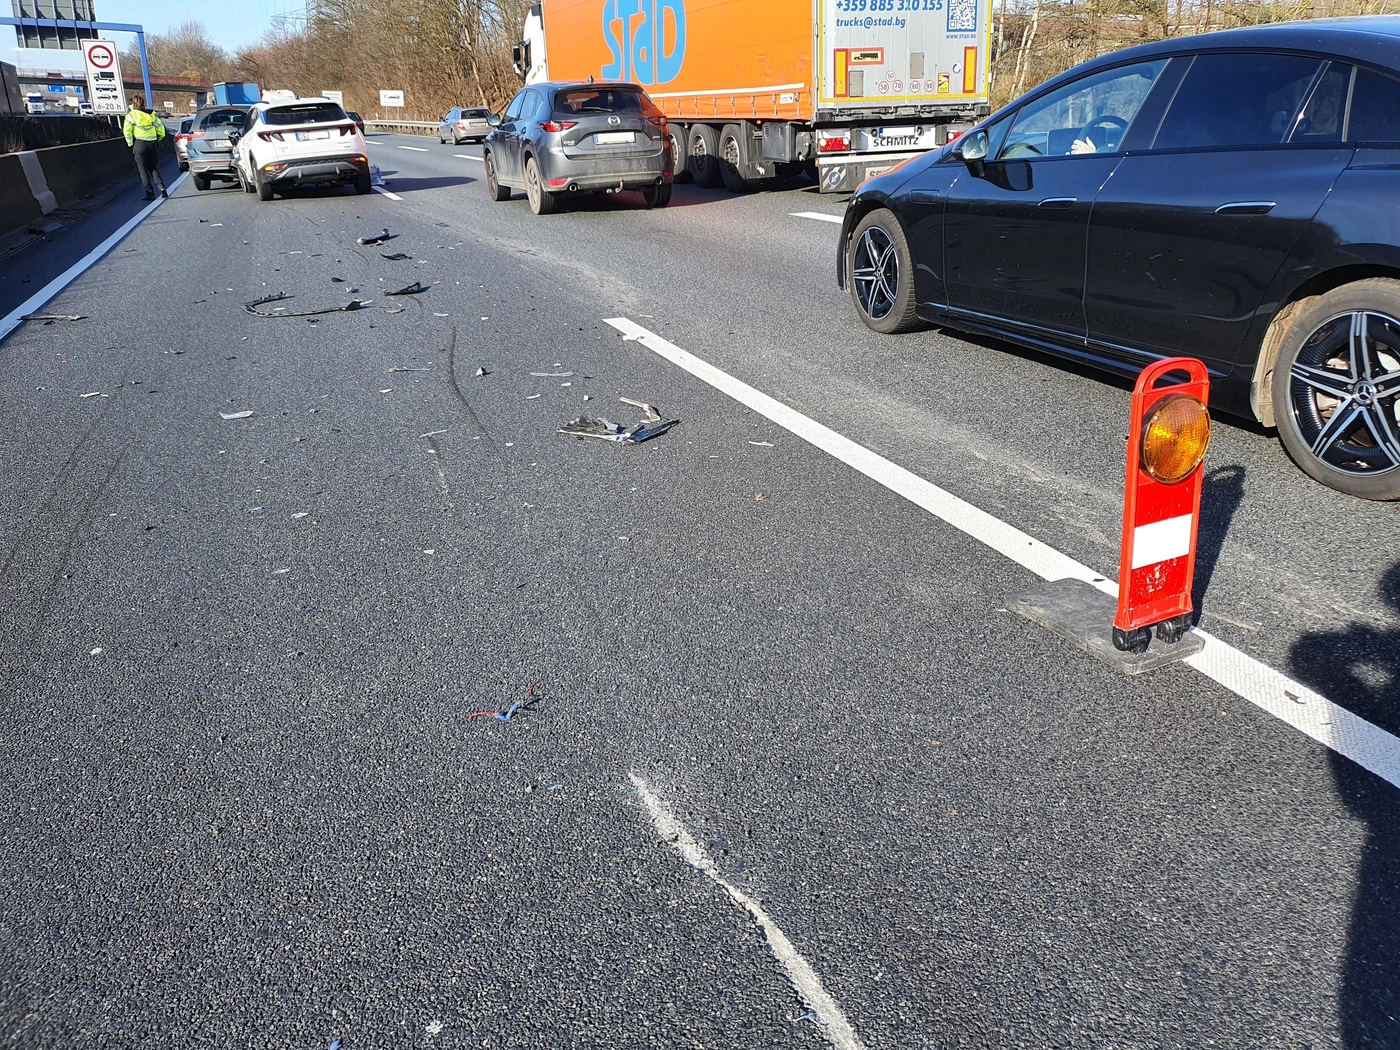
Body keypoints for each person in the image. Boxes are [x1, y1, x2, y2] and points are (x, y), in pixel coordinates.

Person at [123, 94, 167, 200]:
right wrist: (159, 138)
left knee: (143, 170)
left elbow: (127, 131)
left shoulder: (131, 115)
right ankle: (162, 188)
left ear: (133, 104)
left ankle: (150, 193)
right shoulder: (151, 115)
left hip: (140, 144)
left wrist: (130, 143)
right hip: (152, 143)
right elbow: (160, 128)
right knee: (153, 168)